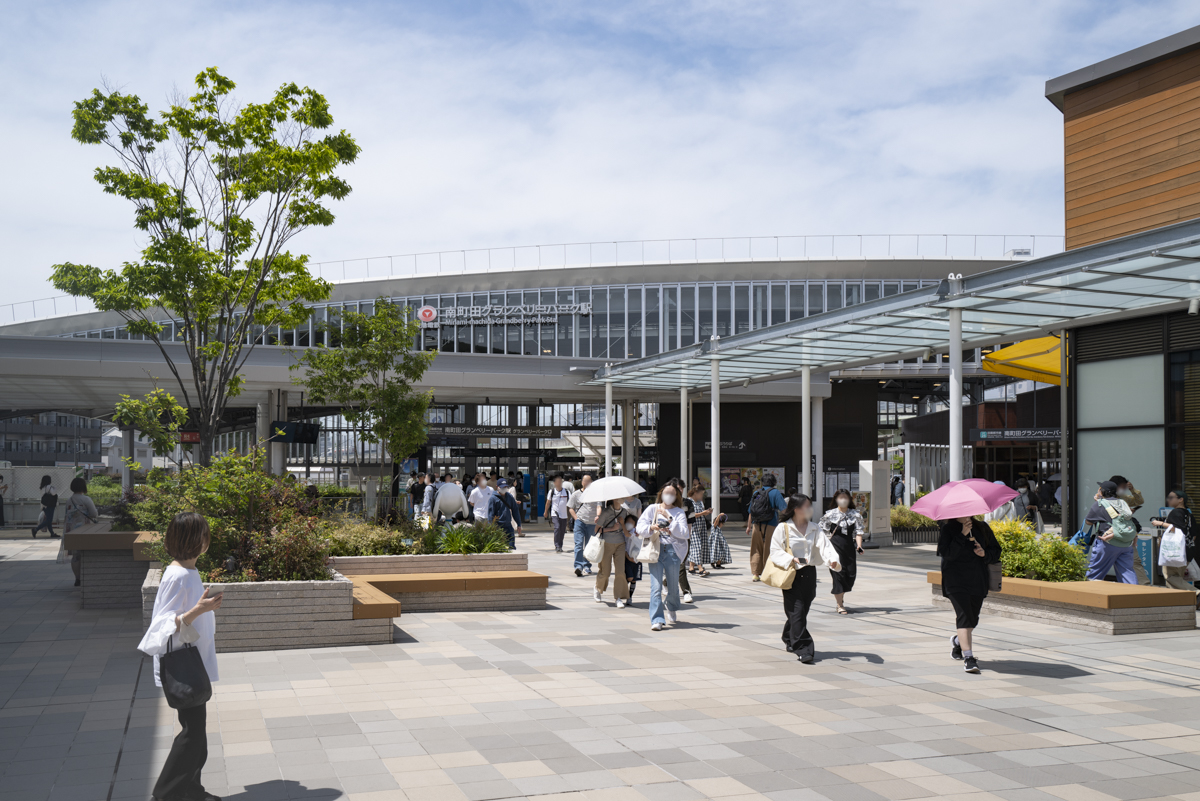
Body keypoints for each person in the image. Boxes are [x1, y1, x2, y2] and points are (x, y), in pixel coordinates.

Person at [137, 512, 224, 801]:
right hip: (182, 666)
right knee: (192, 733)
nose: (205, 540)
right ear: (194, 540)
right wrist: (200, 609)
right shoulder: (177, 575)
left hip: (192, 663)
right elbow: (161, 625)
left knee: (197, 733)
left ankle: (191, 791)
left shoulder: (187, 572)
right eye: (203, 535)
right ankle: (166, 795)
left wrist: (203, 608)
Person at [769, 493, 841, 663]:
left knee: (802, 609)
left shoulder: (814, 528)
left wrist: (832, 560)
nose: (810, 509)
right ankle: (803, 648)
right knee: (797, 611)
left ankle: (789, 636)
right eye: (806, 506)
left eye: (810, 505)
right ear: (796, 509)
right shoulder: (783, 528)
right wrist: (790, 559)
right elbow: (775, 551)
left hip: (809, 573)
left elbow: (825, 546)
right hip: (791, 572)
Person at [937, 514, 1002, 674]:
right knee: (964, 616)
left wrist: (984, 553)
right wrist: (962, 534)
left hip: (977, 579)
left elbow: (996, 550)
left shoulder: (982, 527)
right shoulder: (948, 529)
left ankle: (958, 641)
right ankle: (969, 658)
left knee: (973, 619)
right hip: (955, 580)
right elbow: (947, 553)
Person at [635, 484, 690, 631]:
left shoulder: (679, 512)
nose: (669, 496)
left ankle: (671, 606)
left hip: (673, 551)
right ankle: (657, 619)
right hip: (656, 550)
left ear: (676, 496)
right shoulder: (653, 508)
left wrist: (669, 519)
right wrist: (651, 528)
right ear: (661, 493)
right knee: (656, 587)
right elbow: (639, 527)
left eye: (672, 493)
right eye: (667, 492)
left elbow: (684, 533)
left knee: (672, 586)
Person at [820, 489, 865, 614]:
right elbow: (821, 532)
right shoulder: (829, 515)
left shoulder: (855, 515)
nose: (843, 499)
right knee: (838, 575)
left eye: (845, 497)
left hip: (849, 548)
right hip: (834, 548)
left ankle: (841, 598)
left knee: (850, 575)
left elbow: (859, 532)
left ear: (850, 499)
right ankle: (840, 605)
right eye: (840, 497)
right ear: (836, 499)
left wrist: (859, 546)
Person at [1152, 490, 1199, 606]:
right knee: (1177, 578)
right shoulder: (1189, 514)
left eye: (1171, 497)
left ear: (1180, 499)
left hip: (1175, 551)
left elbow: (1176, 528)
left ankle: (1196, 592)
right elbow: (1194, 534)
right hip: (1188, 550)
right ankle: (1175, 603)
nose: (1168, 500)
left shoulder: (1176, 512)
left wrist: (1160, 523)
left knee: (1171, 577)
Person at [1085, 481, 1138, 583]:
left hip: (1107, 543)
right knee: (1127, 572)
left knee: (1095, 573)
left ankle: (1090, 596)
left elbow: (1088, 522)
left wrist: (1098, 502)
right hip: (1125, 543)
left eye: (1099, 489)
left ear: (1102, 491)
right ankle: (1133, 595)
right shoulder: (1122, 503)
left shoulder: (1099, 505)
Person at [744, 474, 786, 581]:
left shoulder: (756, 493)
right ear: (774, 482)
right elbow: (784, 510)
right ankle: (768, 573)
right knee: (770, 548)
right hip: (771, 524)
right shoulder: (775, 492)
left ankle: (756, 574)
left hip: (756, 524)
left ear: (763, 482)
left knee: (756, 548)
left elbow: (750, 511)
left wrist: (749, 526)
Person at [1110, 475, 1150, 584]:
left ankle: (1143, 588)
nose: (1124, 490)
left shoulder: (1123, 498)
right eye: (1123, 487)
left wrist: (1133, 490)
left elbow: (1139, 501)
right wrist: (1125, 514)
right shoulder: (1104, 499)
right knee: (1105, 564)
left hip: (1126, 534)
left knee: (1134, 562)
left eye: (1125, 488)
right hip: (1111, 535)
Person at [592, 498, 631, 607]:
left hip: (620, 544)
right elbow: (597, 530)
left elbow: (626, 528)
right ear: (614, 499)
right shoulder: (606, 512)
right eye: (620, 497)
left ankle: (618, 597)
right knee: (605, 572)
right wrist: (612, 528)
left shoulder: (624, 512)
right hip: (607, 543)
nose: (623, 499)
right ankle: (598, 588)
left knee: (620, 572)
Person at [62, 477, 99, 587]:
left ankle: (77, 578)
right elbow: (94, 514)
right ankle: (85, 576)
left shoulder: (69, 500)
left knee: (75, 556)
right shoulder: (86, 499)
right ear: (83, 487)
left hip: (71, 531)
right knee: (85, 554)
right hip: (84, 530)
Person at [568, 475, 599, 577]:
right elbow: (570, 507)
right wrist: (576, 518)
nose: (587, 483)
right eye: (585, 481)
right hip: (580, 522)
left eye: (589, 481)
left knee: (589, 546)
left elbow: (599, 506)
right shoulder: (576, 494)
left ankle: (587, 566)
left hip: (591, 523)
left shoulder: (595, 494)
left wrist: (598, 516)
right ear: (582, 482)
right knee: (579, 544)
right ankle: (578, 566)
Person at [685, 479, 713, 577]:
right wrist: (702, 513)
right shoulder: (688, 501)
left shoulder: (700, 502)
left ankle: (691, 567)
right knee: (697, 547)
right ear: (696, 493)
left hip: (701, 526)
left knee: (696, 547)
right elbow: (690, 515)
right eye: (701, 494)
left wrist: (707, 512)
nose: (702, 496)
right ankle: (701, 568)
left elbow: (701, 513)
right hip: (693, 527)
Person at [488, 482, 522, 547]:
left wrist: (519, 524)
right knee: (499, 548)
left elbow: (515, 510)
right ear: (497, 487)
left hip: (508, 525)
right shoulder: (493, 498)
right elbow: (490, 514)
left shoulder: (509, 497)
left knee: (511, 546)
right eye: (502, 487)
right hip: (498, 526)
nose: (504, 488)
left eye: (505, 487)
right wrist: (491, 528)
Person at [545, 474, 571, 553]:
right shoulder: (552, 491)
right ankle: (557, 545)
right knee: (557, 527)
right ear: (554, 483)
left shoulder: (566, 491)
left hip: (564, 514)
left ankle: (560, 545)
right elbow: (548, 502)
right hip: (555, 513)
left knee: (562, 530)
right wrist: (546, 512)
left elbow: (571, 502)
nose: (559, 483)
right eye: (558, 482)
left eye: (561, 482)